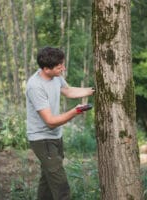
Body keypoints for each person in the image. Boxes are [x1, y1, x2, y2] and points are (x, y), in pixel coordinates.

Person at [26, 46, 95, 200]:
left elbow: (68, 91)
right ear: (46, 69)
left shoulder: (56, 77)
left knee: (48, 180)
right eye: (59, 67)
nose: (63, 68)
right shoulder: (35, 86)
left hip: (56, 136)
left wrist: (94, 90)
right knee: (61, 186)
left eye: (62, 64)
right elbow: (50, 122)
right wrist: (75, 112)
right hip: (42, 139)